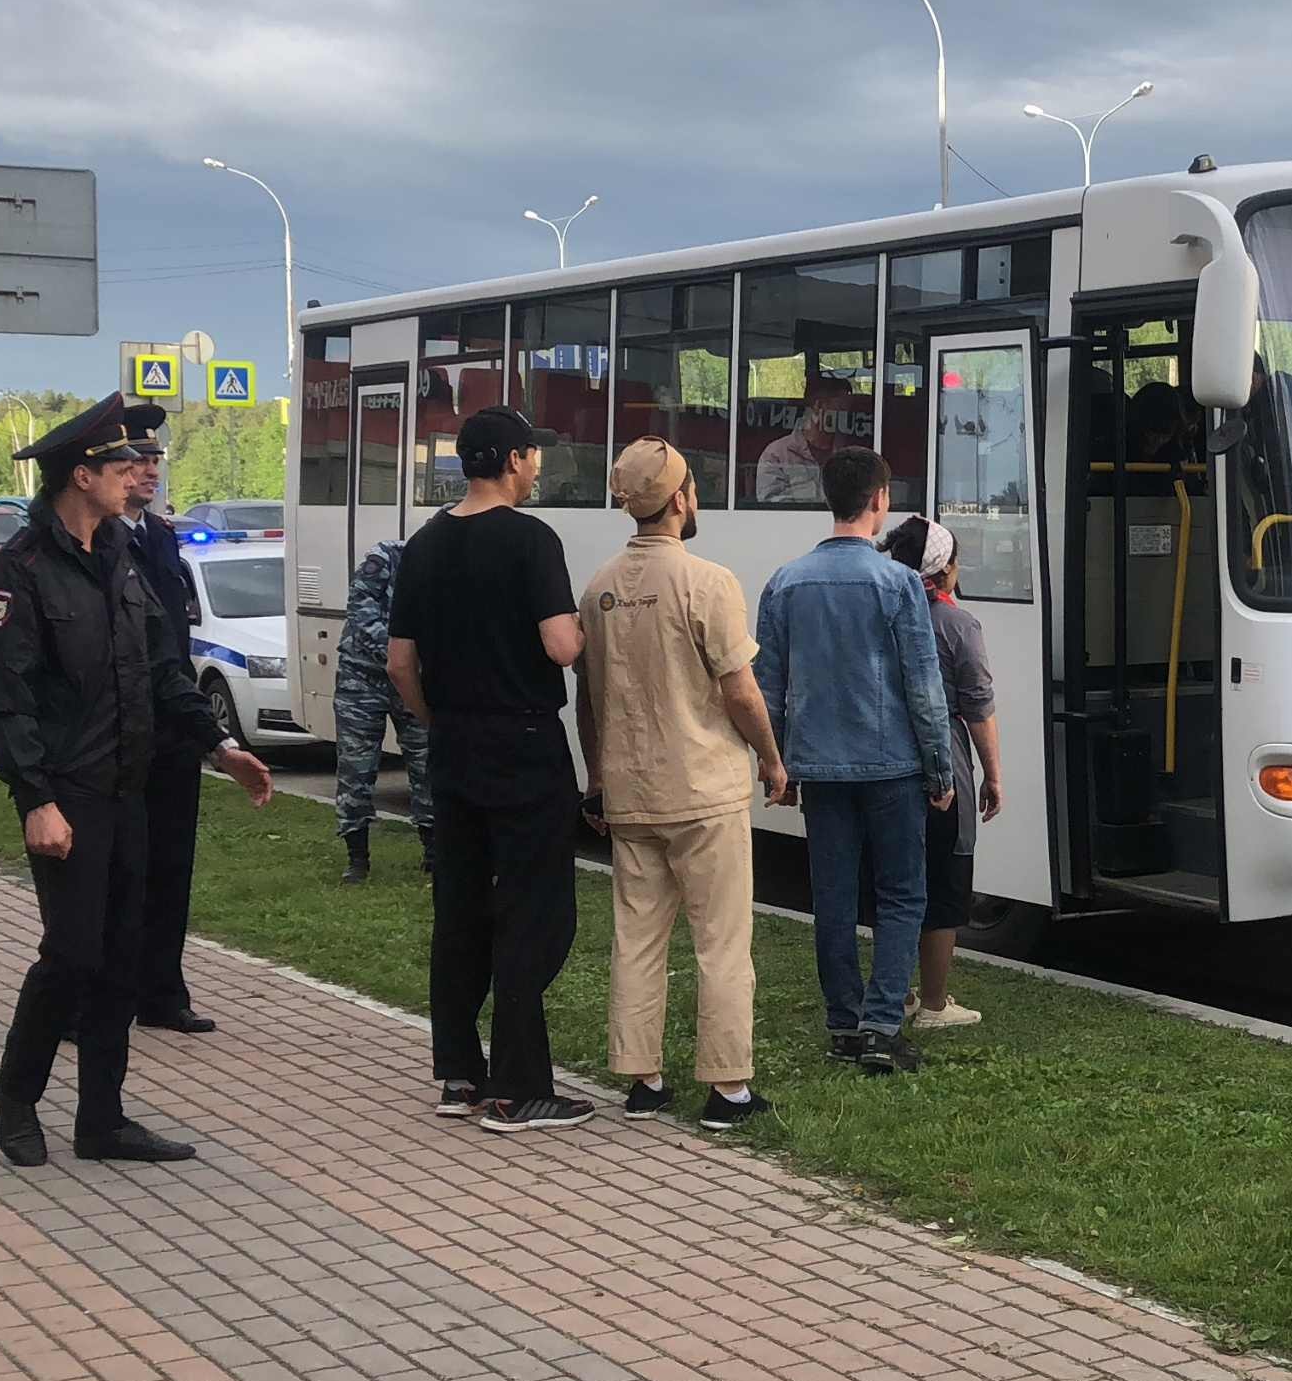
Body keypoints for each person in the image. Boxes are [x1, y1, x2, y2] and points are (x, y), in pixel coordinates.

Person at [0, 395, 275, 1168]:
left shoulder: (122, 557)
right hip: (68, 794)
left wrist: (218, 743)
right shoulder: (23, 571)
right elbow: (5, 703)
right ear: (83, 475)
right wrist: (35, 800)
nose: (137, 475)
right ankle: (16, 1091)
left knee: (120, 959)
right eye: (122, 465)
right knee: (73, 956)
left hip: (129, 787)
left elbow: (161, 670)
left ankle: (102, 1121)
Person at [388, 405, 592, 1134]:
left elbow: (399, 662)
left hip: (455, 747)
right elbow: (562, 646)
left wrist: (439, 721)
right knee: (534, 913)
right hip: (524, 744)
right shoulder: (532, 540)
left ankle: (458, 1072)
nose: (536, 470)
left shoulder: (425, 544)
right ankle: (519, 1089)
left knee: (461, 907)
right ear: (512, 459)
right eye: (533, 457)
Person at [575, 438, 789, 1128]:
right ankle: (728, 1090)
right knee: (721, 941)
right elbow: (741, 690)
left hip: (631, 792)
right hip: (704, 790)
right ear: (679, 500)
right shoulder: (709, 581)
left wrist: (597, 774)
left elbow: (589, 699)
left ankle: (644, 1081)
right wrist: (772, 757)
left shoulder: (598, 587)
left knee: (637, 939)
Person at [754, 446, 951, 1074]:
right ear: (880, 500)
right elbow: (923, 685)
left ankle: (843, 1023)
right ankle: (882, 1025)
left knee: (833, 898)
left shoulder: (784, 582)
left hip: (819, 767)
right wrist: (940, 768)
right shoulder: (897, 583)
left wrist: (776, 763)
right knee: (900, 894)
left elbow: (769, 685)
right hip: (891, 764)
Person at [881, 515, 1001, 1029]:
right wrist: (992, 774)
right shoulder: (957, 624)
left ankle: (897, 990)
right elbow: (978, 705)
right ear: (945, 569)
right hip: (943, 764)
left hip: (886, 762)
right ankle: (933, 1003)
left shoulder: (880, 610)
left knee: (899, 880)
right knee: (945, 883)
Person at [118, 466, 218, 1035]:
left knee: (170, 864)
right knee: (113, 871)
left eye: (156, 458)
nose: (151, 470)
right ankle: (89, 997)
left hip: (172, 726)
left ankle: (161, 992)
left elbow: (169, 643)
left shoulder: (159, 534)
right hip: (117, 731)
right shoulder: (97, 541)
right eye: (136, 461)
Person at [334, 536, 434, 883]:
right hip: (363, 679)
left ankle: (433, 853)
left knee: (427, 766)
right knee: (356, 768)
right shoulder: (386, 556)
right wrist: (404, 656)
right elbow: (362, 613)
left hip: (414, 679)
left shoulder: (450, 566)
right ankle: (357, 858)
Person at [753, 376, 862, 505]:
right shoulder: (776, 455)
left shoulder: (849, 456)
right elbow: (772, 509)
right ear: (819, 405)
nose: (847, 413)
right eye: (842, 406)